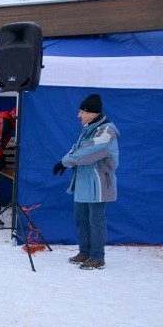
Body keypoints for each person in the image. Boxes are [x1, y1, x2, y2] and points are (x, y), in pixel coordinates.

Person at [53, 94, 119, 270]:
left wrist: (65, 162)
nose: (78, 115)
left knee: (96, 221)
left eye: (81, 111)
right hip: (83, 181)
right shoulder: (88, 128)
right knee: (81, 219)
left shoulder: (107, 131)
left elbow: (89, 153)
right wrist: (65, 160)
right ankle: (85, 252)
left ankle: (97, 257)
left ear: (92, 113)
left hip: (98, 184)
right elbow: (76, 149)